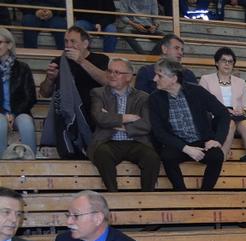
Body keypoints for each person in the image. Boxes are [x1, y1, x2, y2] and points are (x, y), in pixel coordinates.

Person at [149, 59, 229, 191]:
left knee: (217, 156)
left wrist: (218, 140)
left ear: (173, 78)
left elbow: (223, 113)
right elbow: (159, 132)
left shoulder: (196, 91)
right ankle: (181, 193)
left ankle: (205, 194)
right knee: (167, 157)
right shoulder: (155, 98)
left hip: (201, 140)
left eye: (159, 75)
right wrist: (185, 148)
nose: (154, 79)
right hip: (177, 144)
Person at [87, 58, 161, 192]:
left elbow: (146, 125)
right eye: (110, 71)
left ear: (129, 77)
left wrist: (117, 124)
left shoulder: (143, 97)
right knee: (102, 154)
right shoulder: (98, 93)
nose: (112, 75)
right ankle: (113, 194)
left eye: (117, 72)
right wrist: (127, 117)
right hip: (108, 141)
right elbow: (99, 117)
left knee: (152, 158)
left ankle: (147, 196)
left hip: (135, 141)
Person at [38, 27, 109, 144]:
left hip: (93, 112)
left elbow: (106, 81)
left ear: (85, 44)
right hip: (67, 112)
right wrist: (50, 79)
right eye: (66, 41)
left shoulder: (101, 59)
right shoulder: (59, 61)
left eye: (73, 41)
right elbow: (45, 93)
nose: (68, 45)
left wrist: (81, 61)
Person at [199, 47, 246, 164]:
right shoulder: (206, 80)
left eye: (230, 61)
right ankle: (221, 158)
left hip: (238, 116)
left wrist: (242, 111)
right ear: (216, 62)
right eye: (224, 60)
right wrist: (223, 111)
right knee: (230, 122)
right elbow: (201, 104)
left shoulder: (241, 82)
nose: (227, 64)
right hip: (216, 118)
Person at [0, 28, 38, 159]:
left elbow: (30, 97)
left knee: (26, 122)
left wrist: (14, 114)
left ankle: (31, 160)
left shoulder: (22, 68)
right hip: (0, 114)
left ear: (9, 45)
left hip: (19, 112)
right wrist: (4, 114)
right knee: (0, 122)